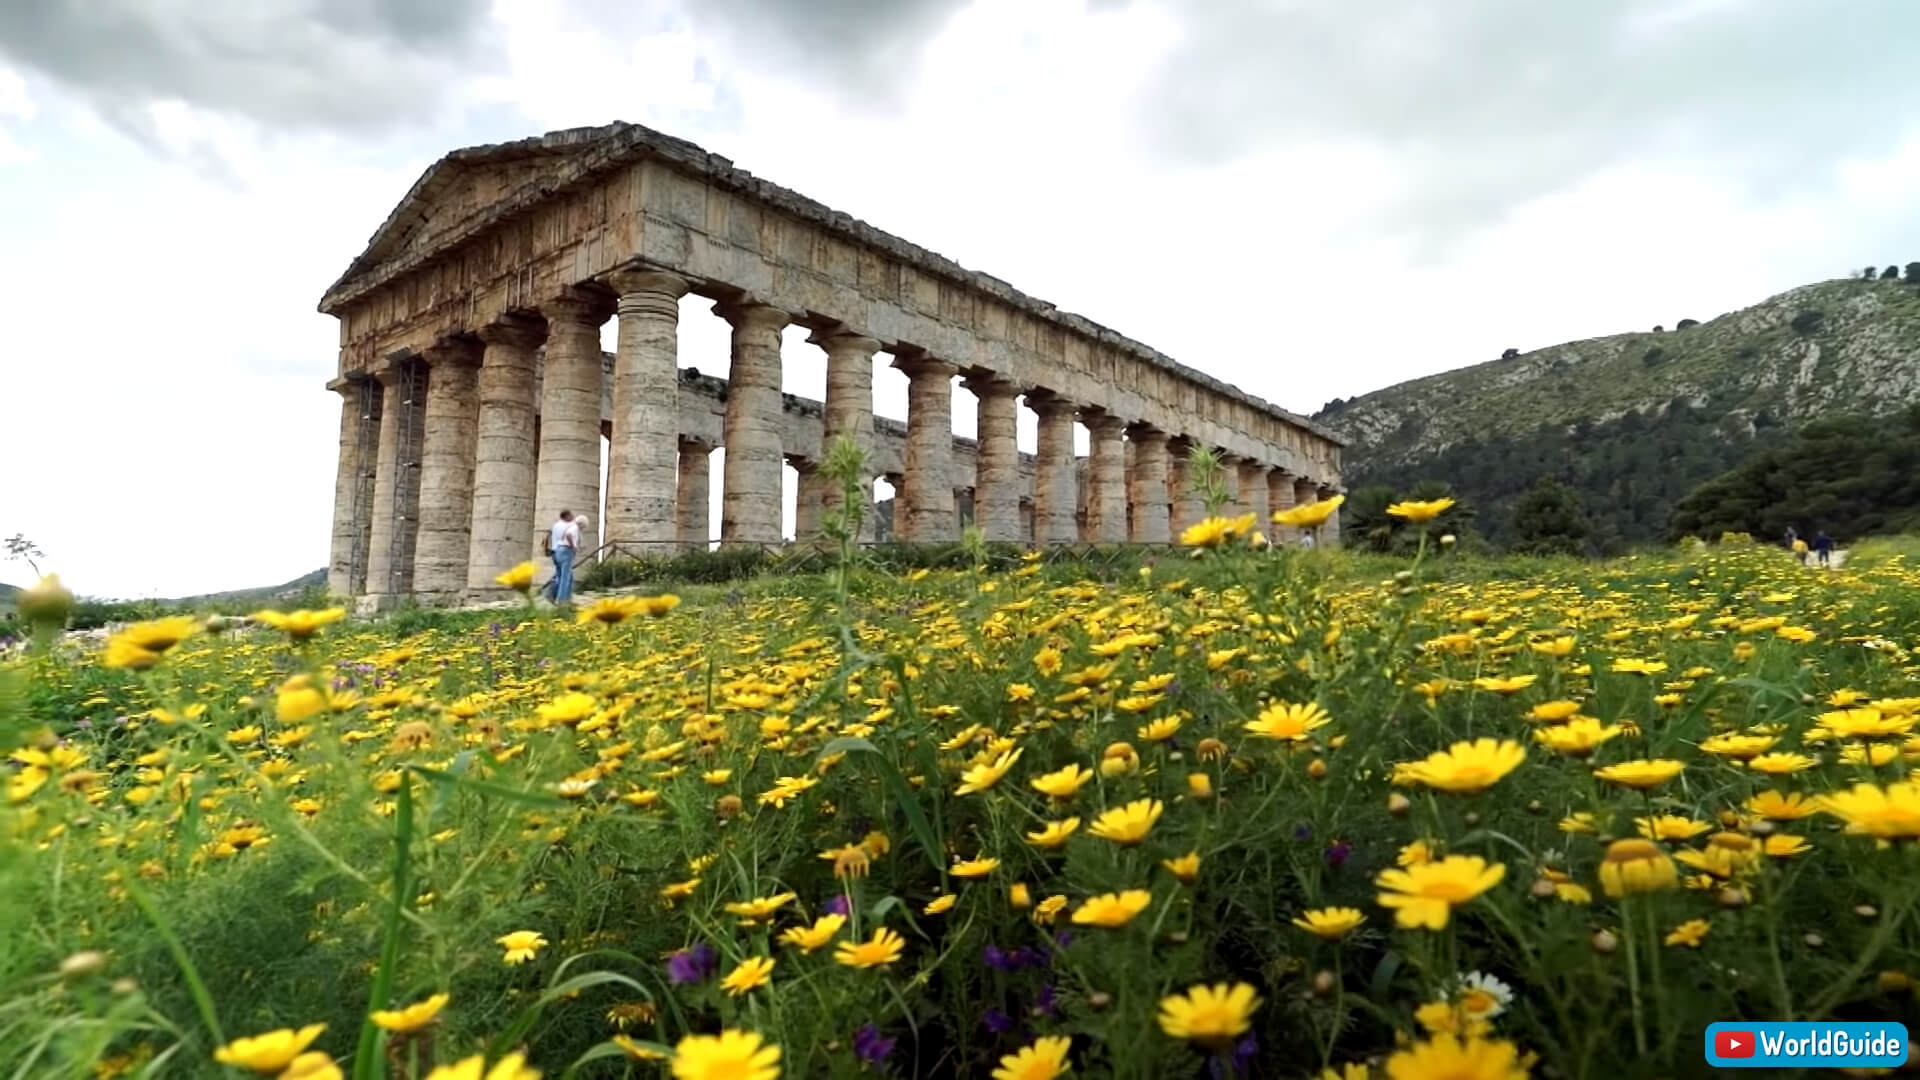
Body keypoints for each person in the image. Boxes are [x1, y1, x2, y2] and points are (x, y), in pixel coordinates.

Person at [542, 510, 579, 604]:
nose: (572, 517)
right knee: (565, 577)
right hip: (564, 550)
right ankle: (562, 600)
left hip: (554, 552)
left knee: (560, 576)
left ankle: (552, 595)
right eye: (571, 515)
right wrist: (573, 546)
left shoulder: (556, 525)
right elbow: (568, 535)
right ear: (566, 516)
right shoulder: (569, 526)